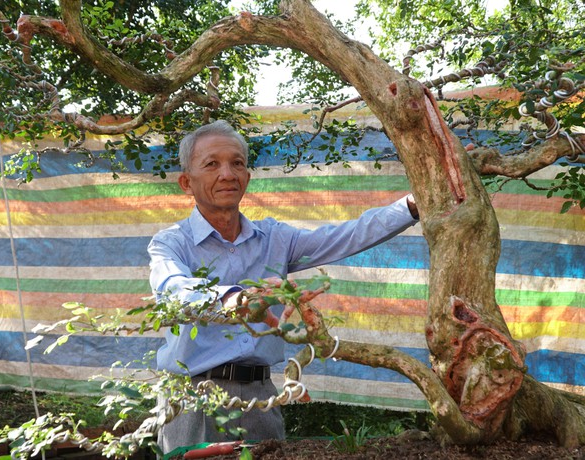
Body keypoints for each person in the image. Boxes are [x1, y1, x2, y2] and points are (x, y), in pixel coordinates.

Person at [147, 120, 418, 454]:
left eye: (238, 163)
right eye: (211, 164)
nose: (228, 174)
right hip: (192, 396)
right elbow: (174, 290)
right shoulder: (170, 244)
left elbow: (344, 236)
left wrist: (412, 205)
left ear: (247, 177)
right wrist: (237, 299)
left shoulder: (275, 238)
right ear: (186, 182)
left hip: (262, 394)